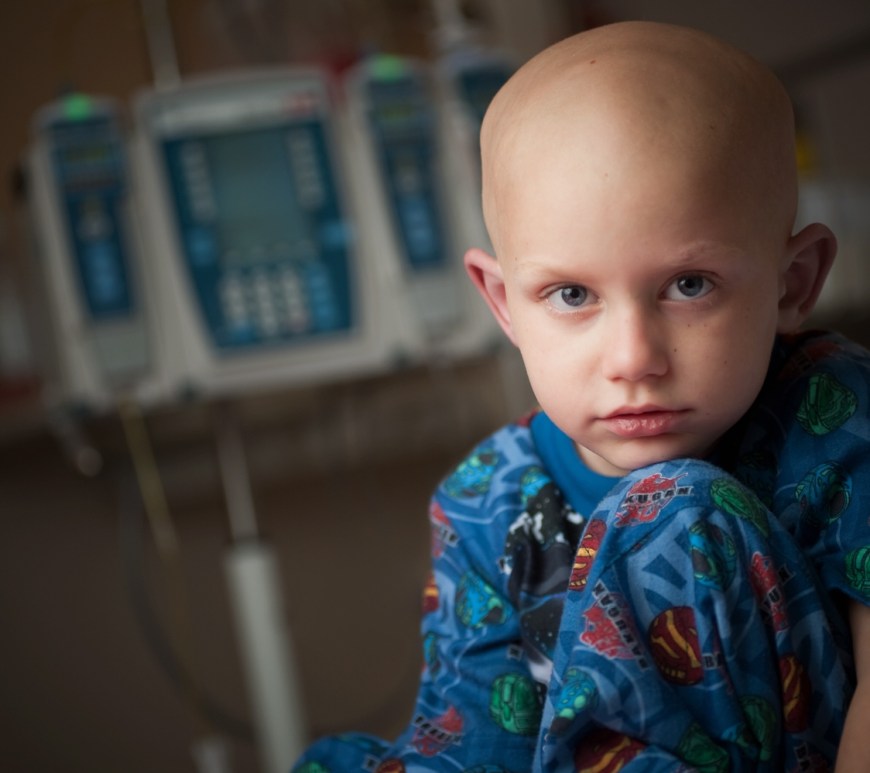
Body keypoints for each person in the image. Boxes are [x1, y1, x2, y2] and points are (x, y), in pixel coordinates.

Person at [293, 20, 870, 772]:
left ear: (793, 283)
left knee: (670, 509)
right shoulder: (485, 503)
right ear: (504, 304)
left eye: (689, 285)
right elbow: (477, 747)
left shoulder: (837, 415)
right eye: (571, 294)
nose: (633, 358)